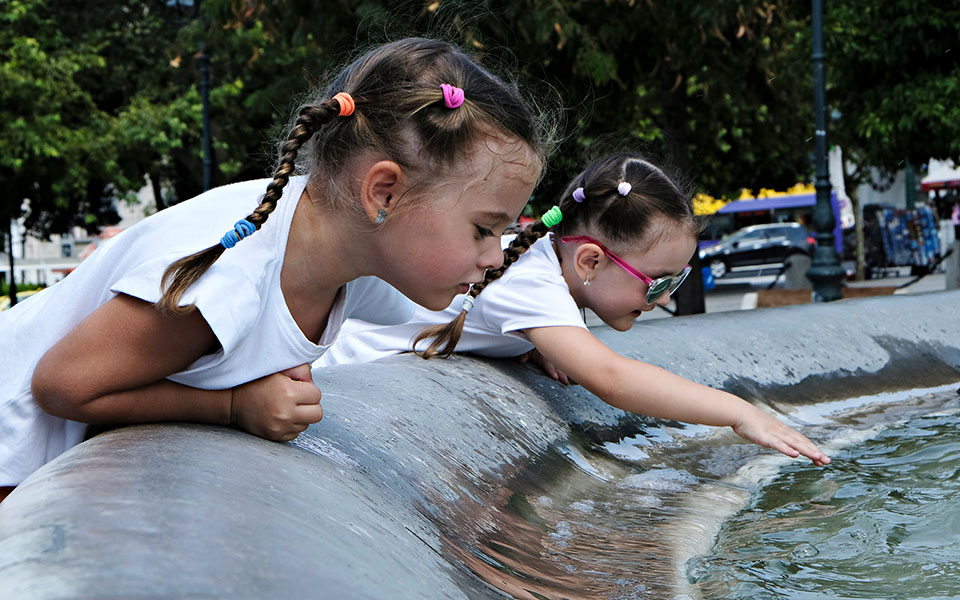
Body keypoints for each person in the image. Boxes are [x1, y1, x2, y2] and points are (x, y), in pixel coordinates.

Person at [0, 38, 548, 502]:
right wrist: (234, 406)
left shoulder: (342, 254)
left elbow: (444, 311)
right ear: (384, 193)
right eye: (483, 229)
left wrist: (528, 337)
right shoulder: (225, 282)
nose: (495, 254)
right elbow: (61, 387)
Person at [318, 154, 831, 466]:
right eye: (657, 283)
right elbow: (611, 377)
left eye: (678, 281)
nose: (667, 299)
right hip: (341, 381)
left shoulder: (540, 270)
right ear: (589, 260)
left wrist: (533, 346)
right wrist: (739, 413)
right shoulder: (531, 279)